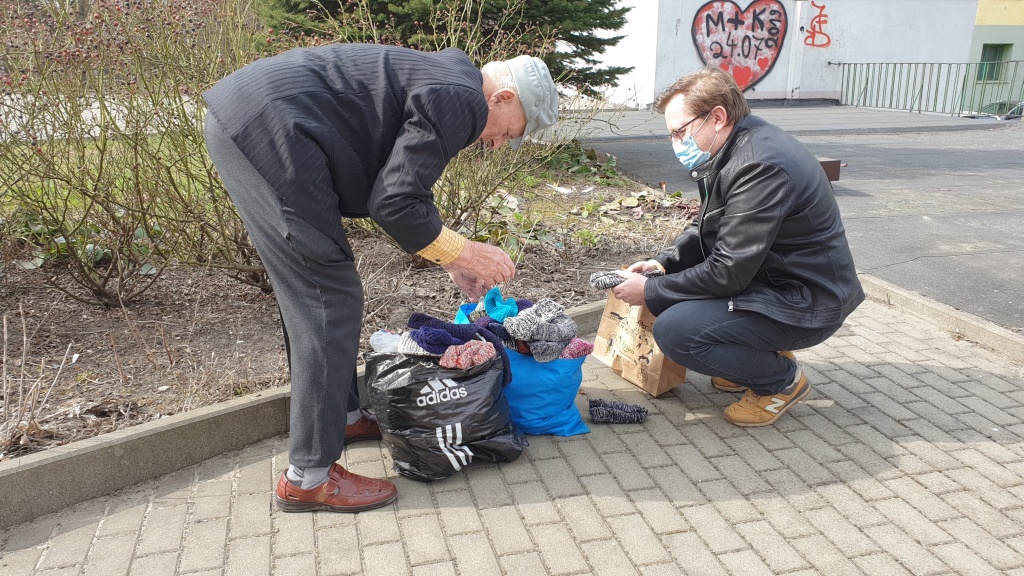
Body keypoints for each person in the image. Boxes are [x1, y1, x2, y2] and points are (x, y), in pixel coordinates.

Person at [202, 44, 558, 513]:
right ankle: (308, 478)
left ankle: (345, 416)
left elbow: (402, 187)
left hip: (250, 122)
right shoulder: (463, 99)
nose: (498, 145)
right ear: (503, 97)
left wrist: (451, 259)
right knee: (327, 298)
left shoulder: (448, 83)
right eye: (511, 133)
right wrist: (469, 250)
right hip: (270, 132)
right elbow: (393, 202)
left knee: (316, 296)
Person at [610, 67, 863, 427]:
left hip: (807, 301)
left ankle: (779, 382)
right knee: (684, 308)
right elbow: (706, 226)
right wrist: (662, 265)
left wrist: (651, 290)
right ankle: (753, 356)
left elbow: (727, 271)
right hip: (777, 285)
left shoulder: (760, 165)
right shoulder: (736, 148)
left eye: (680, 132)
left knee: (677, 331)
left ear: (717, 116)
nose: (675, 143)